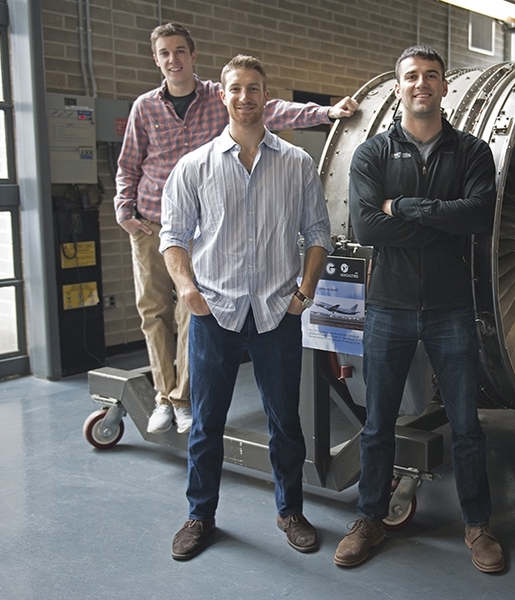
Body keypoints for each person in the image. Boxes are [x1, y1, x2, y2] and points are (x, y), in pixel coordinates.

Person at [114, 23, 357, 435]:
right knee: (153, 311)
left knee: (191, 310)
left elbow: (272, 108)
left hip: (206, 226)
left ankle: (182, 399)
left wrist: (325, 112)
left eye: (179, 51)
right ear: (156, 59)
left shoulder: (219, 94)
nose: (173, 59)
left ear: (192, 56)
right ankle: (162, 396)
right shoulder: (145, 107)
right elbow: (129, 163)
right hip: (153, 223)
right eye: (164, 53)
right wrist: (124, 210)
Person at [333, 44, 504, 573]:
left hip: (452, 307)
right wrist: (438, 219)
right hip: (388, 306)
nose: (421, 84)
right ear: (399, 86)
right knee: (379, 421)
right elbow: (367, 227)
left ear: (444, 85)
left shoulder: (472, 153)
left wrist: (403, 207)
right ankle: (369, 520)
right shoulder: (372, 154)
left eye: (431, 75)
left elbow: (478, 216)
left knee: (466, 425)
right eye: (412, 76)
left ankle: (477, 526)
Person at [159, 54, 333, 561]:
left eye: (254, 88)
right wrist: (188, 290)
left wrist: (304, 292)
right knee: (206, 421)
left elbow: (317, 233)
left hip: (278, 312)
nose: (245, 97)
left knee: (285, 422)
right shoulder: (194, 166)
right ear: (223, 95)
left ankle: (291, 510)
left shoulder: (297, 164)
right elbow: (173, 236)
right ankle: (200, 516)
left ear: (265, 95)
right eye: (236, 88)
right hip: (215, 312)